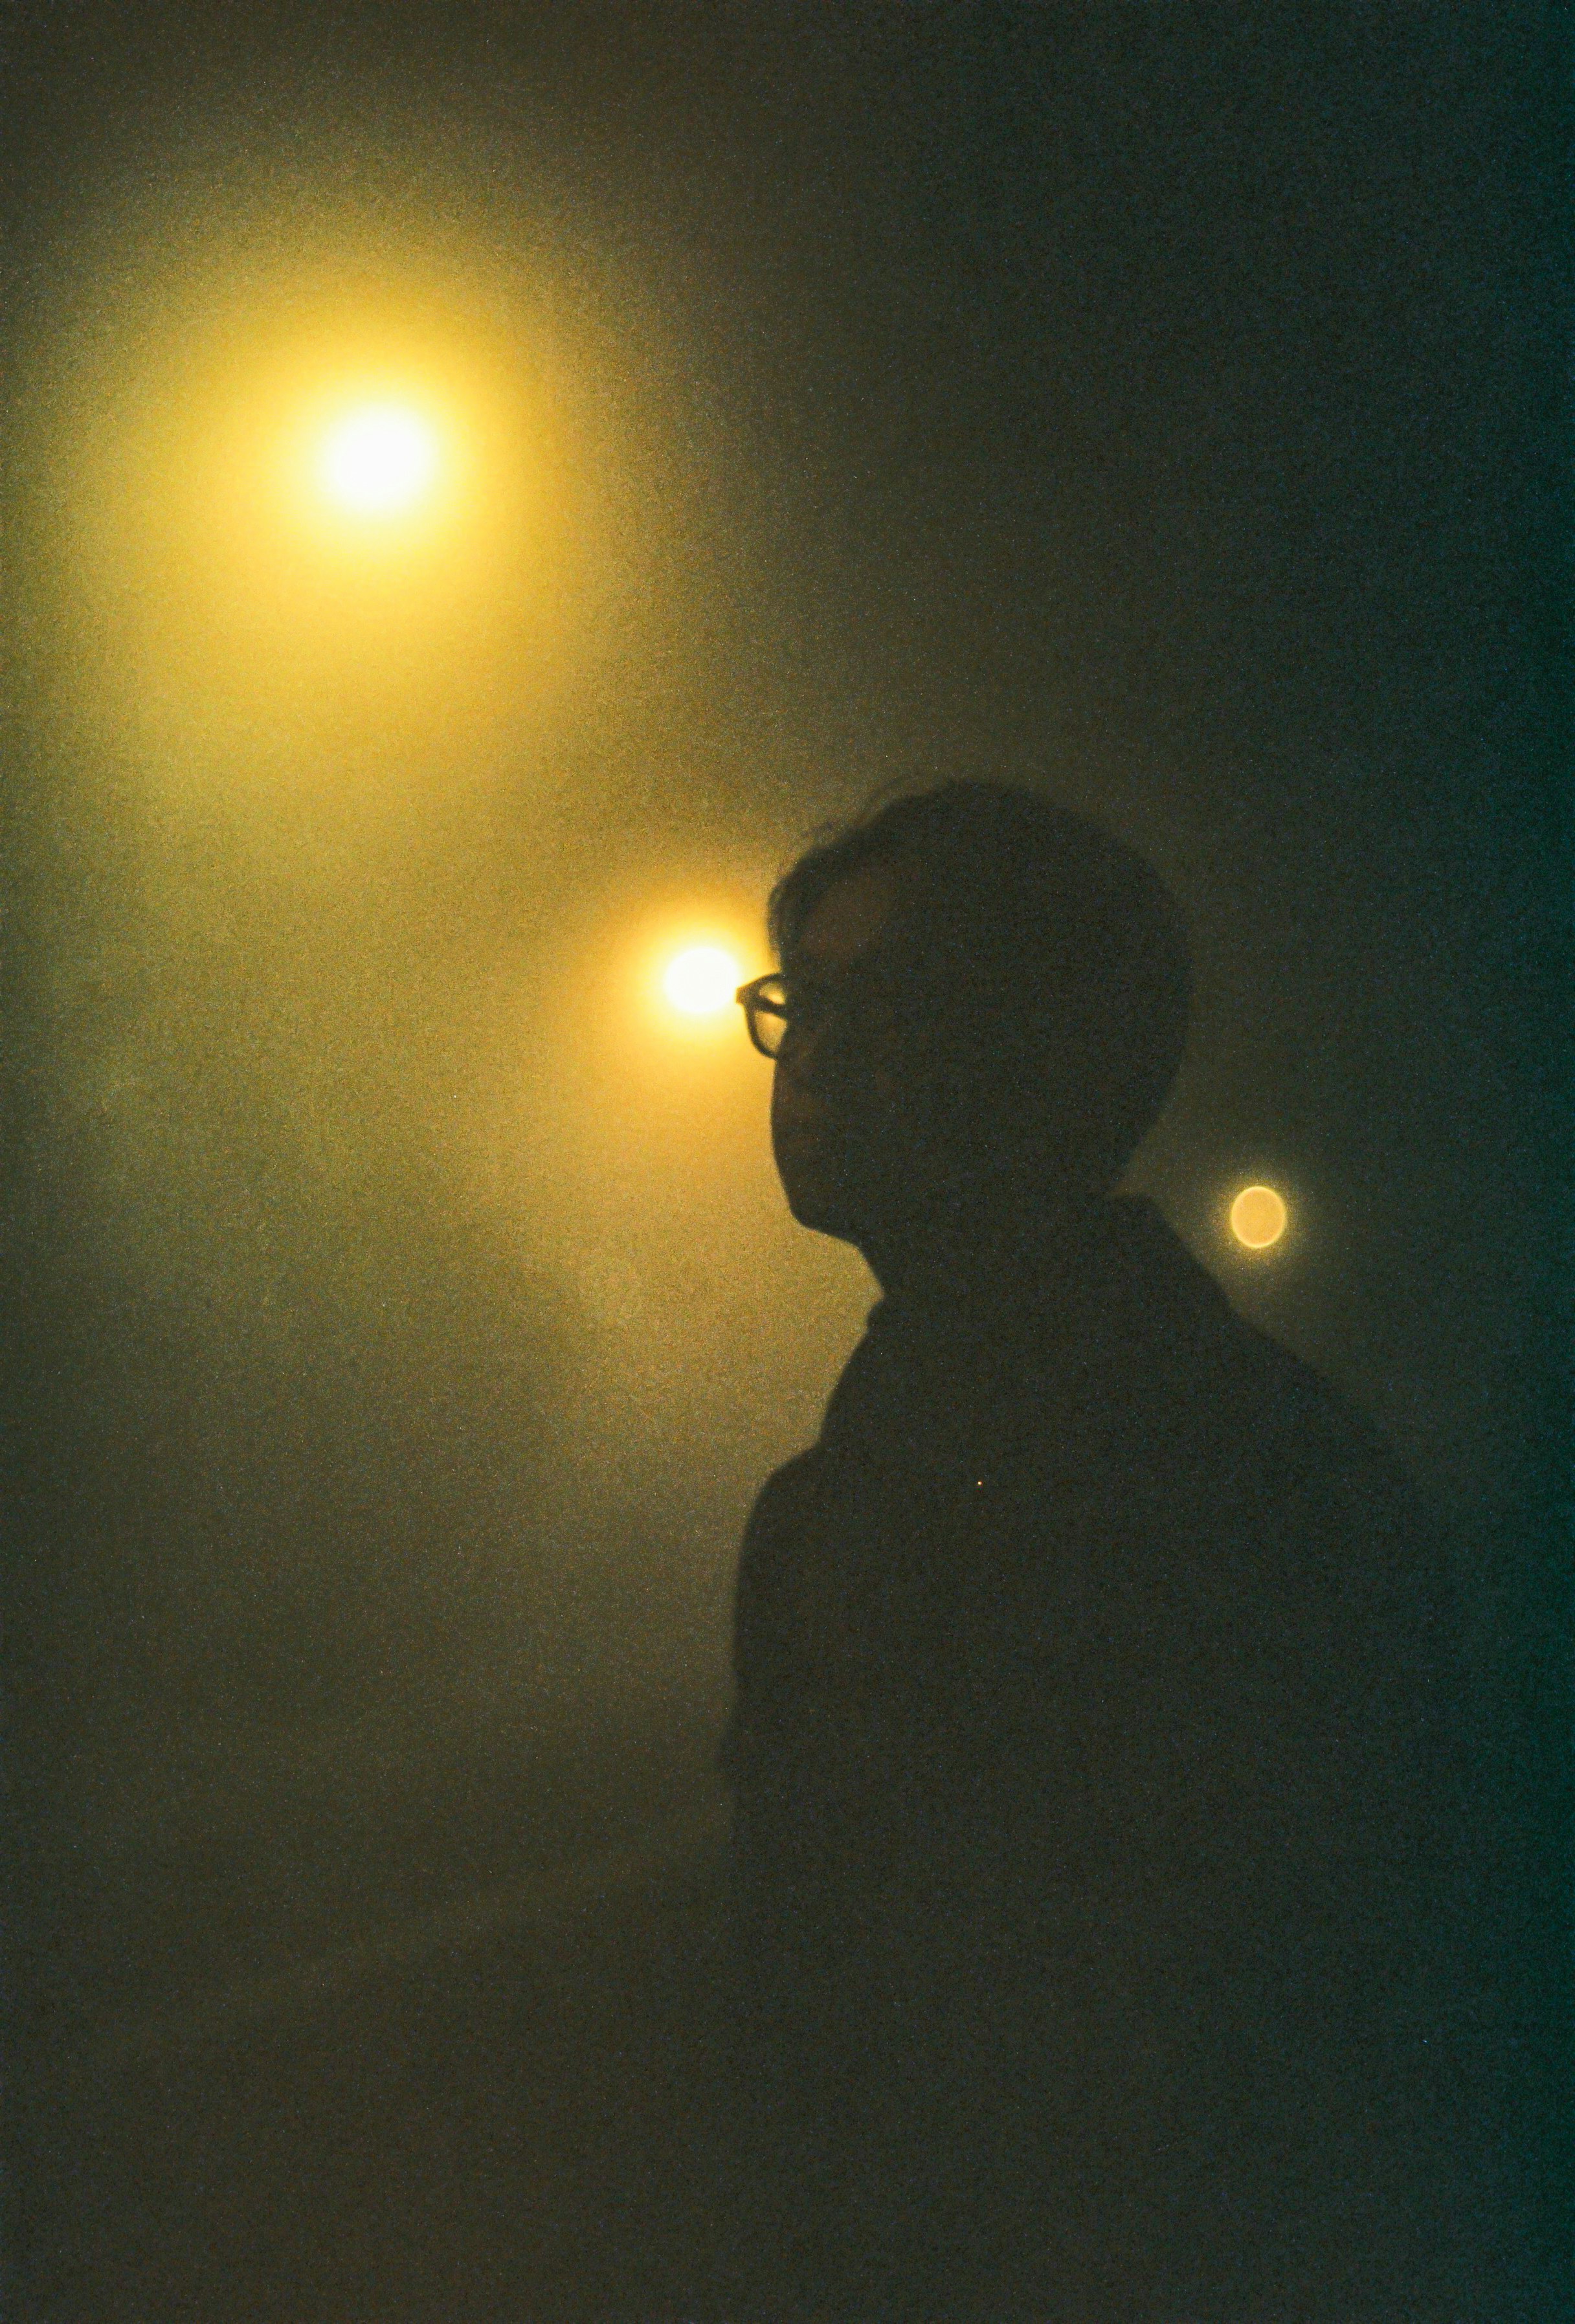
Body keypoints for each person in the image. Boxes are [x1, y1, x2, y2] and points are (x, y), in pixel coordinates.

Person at [713, 781, 1502, 2323]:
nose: (810, 1057)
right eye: (798, 1002)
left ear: (1050, 1049)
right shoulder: (838, 1504)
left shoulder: (1250, 1495)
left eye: (882, 1004)